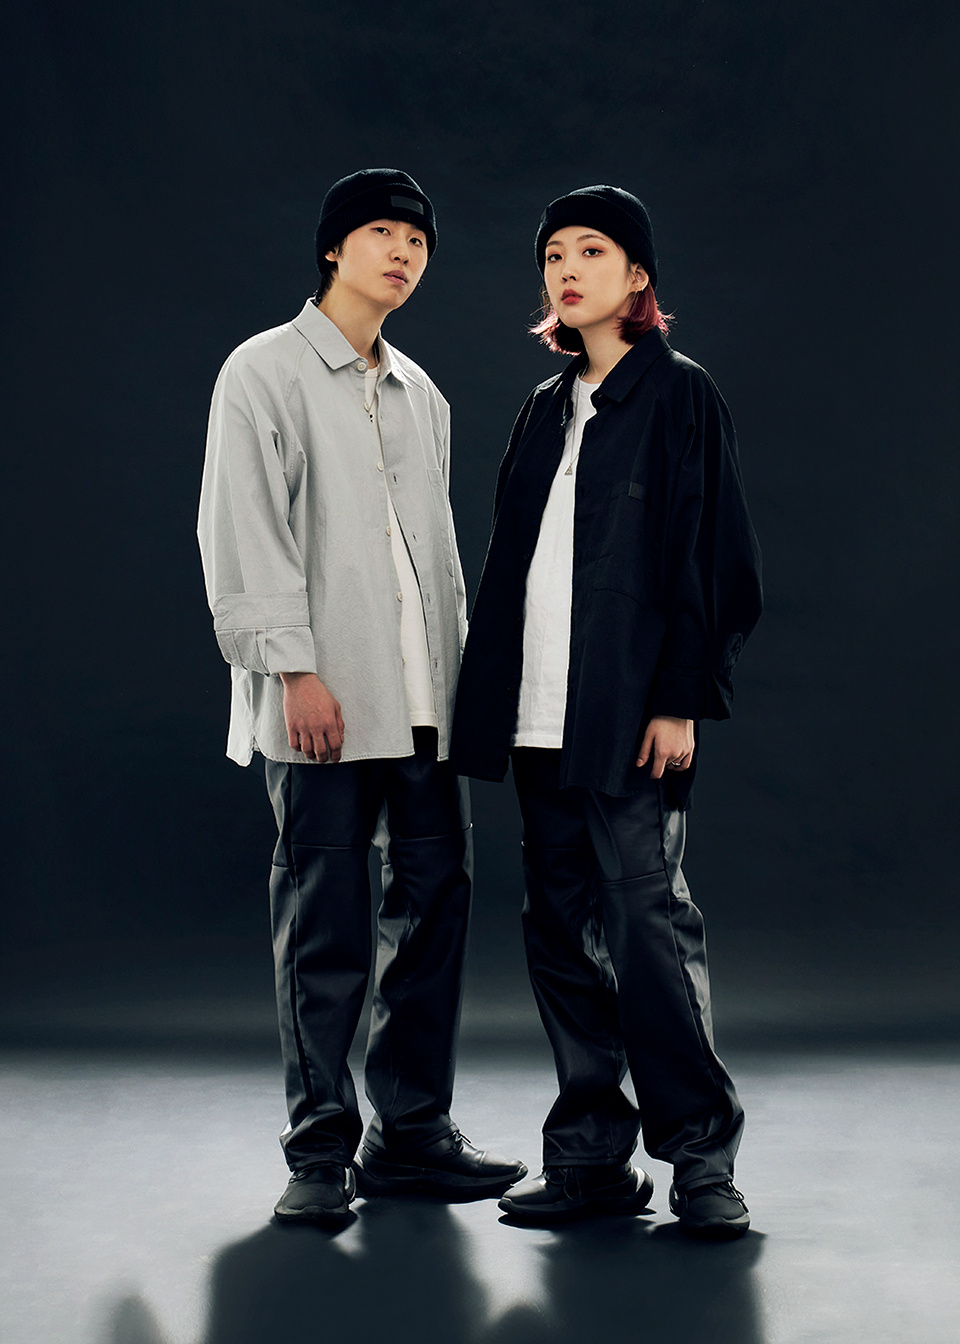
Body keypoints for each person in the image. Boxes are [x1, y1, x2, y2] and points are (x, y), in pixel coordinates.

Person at [198, 168, 526, 1227]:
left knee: (434, 914)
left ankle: (413, 1135)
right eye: (382, 233)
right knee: (325, 924)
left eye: (417, 241)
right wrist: (292, 670)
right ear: (335, 247)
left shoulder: (422, 393)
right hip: (323, 698)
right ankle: (318, 1151)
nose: (403, 253)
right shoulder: (262, 372)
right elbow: (241, 531)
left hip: (423, 703)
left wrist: (466, 695)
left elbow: (433, 560)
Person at [450, 185, 762, 1239]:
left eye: (592, 251)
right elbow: (513, 565)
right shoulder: (544, 408)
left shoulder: (680, 396)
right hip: (536, 721)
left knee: (647, 929)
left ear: (637, 278)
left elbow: (717, 562)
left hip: (630, 721)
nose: (567, 269)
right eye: (553, 255)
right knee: (559, 937)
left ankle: (702, 1160)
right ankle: (589, 1159)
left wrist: (681, 699)